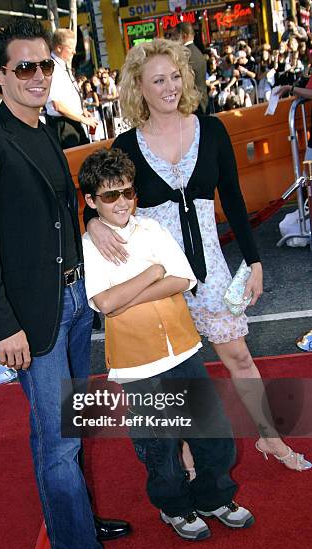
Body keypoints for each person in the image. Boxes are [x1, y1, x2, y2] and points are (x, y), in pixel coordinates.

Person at [0, 17, 137, 549]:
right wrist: (2, 327)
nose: (37, 76)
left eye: (44, 65)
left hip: (75, 301)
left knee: (71, 425)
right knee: (56, 438)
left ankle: (76, 518)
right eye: (24, 67)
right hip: (33, 316)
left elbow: (55, 215)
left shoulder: (48, 131)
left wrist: (89, 228)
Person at [83, 38, 311, 472]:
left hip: (211, 271)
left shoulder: (213, 130)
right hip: (157, 277)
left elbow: (235, 199)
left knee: (239, 357)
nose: (169, 87)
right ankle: (186, 453)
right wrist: (91, 224)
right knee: (175, 372)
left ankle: (271, 439)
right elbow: (102, 199)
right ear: (138, 88)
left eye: (174, 77)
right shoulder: (127, 145)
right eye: (158, 80)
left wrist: (255, 262)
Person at [79, 147, 255, 540]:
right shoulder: (90, 246)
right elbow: (104, 303)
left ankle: (214, 498)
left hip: (184, 347)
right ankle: (174, 508)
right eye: (109, 196)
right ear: (91, 202)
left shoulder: (153, 230)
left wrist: (133, 290)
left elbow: (183, 279)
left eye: (127, 192)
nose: (121, 202)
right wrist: (153, 272)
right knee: (159, 447)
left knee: (213, 433)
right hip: (137, 364)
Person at [45, 28, 97, 148]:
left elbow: (68, 95)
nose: (74, 51)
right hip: (63, 125)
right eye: (70, 48)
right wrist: (83, 119)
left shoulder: (62, 66)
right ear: (59, 48)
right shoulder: (52, 69)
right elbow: (57, 105)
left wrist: (81, 111)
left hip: (73, 121)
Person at [176, 22, 208, 114]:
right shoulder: (197, 52)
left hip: (192, 104)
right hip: (201, 101)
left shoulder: (185, 55)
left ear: (184, 36)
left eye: (174, 35)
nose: (172, 39)